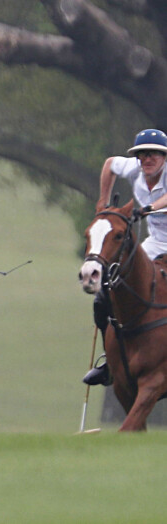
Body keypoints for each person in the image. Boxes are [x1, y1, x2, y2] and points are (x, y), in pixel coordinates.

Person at [83, 128, 167, 386]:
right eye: (142, 155)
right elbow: (109, 164)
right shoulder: (134, 169)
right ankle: (112, 360)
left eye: (153, 154)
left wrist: (149, 207)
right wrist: (102, 201)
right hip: (155, 242)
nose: (147, 160)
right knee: (110, 290)